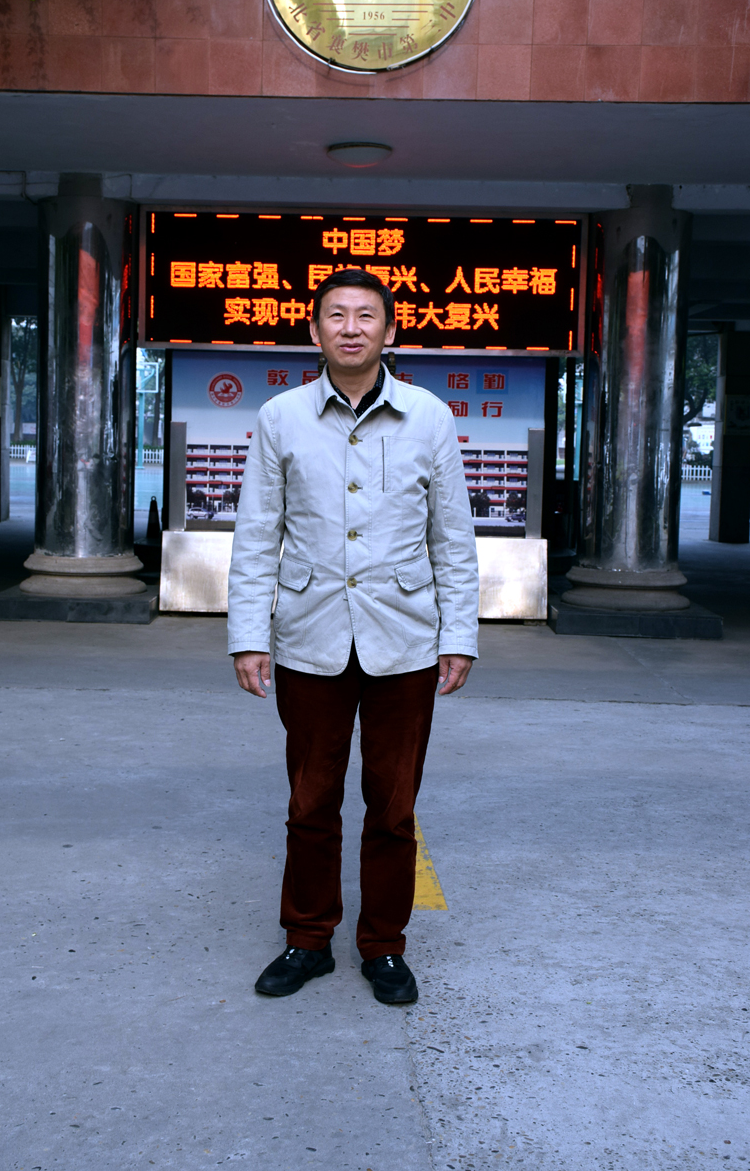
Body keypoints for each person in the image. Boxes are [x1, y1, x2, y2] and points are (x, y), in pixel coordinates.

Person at [228, 268, 479, 1005]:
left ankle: (384, 947)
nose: (350, 327)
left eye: (366, 315)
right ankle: (307, 940)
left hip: (405, 639)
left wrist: (459, 635)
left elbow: (453, 538)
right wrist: (249, 636)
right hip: (309, 637)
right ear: (314, 331)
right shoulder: (282, 417)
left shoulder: (429, 417)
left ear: (389, 332)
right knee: (310, 801)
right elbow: (256, 535)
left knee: (393, 807)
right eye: (335, 315)